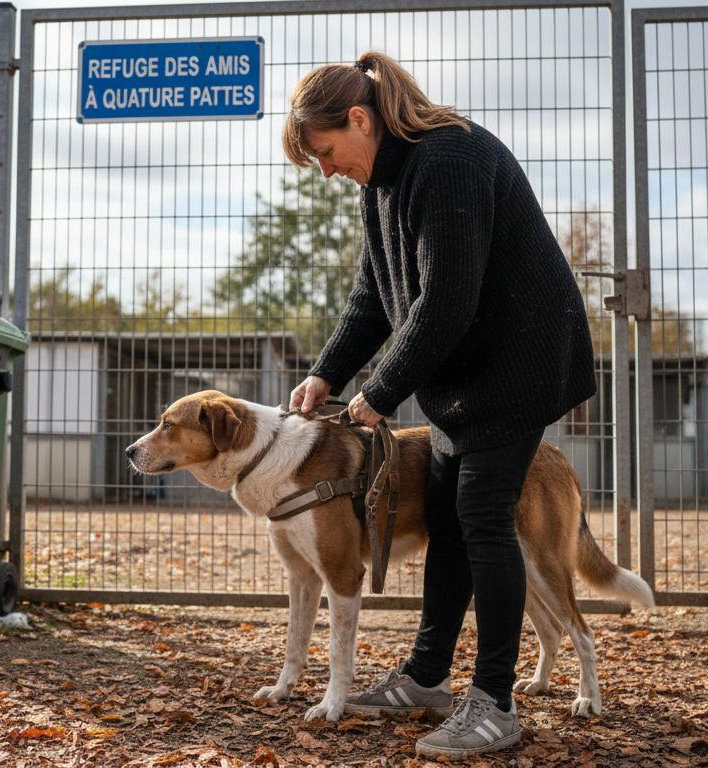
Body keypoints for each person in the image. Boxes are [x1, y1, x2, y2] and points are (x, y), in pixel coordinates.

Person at [283, 51, 596, 759]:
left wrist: (379, 393)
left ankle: (494, 704)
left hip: (520, 362)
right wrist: (328, 374)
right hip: (466, 369)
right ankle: (427, 678)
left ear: (359, 120)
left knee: (483, 516)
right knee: (454, 514)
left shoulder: (449, 158)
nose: (329, 172)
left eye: (329, 153)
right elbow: (374, 296)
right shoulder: (383, 183)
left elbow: (446, 300)